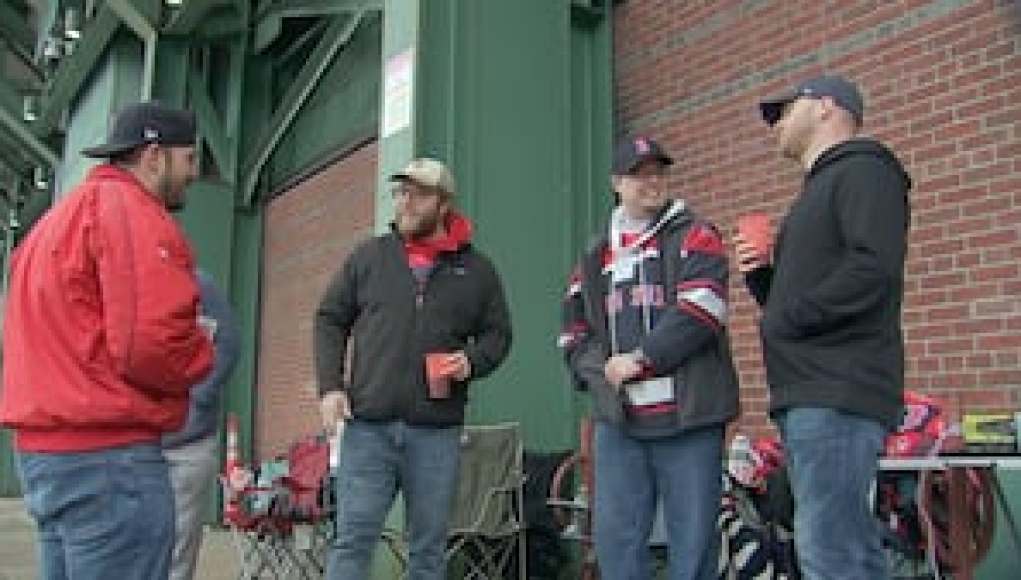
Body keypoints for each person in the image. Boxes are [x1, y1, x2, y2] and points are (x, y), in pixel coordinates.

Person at [0, 101, 214, 579]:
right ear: (153, 156)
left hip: (45, 457)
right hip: (110, 461)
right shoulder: (135, 214)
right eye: (188, 159)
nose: (193, 174)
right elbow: (150, 344)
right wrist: (202, 352)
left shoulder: (51, 226)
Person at [735, 75, 911, 580]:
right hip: (814, 392)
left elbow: (872, 271)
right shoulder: (820, 190)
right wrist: (764, 278)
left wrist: (786, 316)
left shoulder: (865, 171)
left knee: (832, 552)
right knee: (840, 546)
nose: (777, 124)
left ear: (827, 107)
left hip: (837, 392)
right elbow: (804, 304)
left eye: (786, 111)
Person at [314, 157, 512, 580]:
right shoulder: (369, 257)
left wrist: (471, 362)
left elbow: (499, 336)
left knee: (428, 551)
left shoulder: (477, 271)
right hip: (368, 429)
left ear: (444, 205)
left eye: (417, 194)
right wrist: (330, 387)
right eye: (401, 192)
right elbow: (330, 317)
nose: (405, 202)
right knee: (352, 542)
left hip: (436, 434)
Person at [560, 137, 739, 580]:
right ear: (616, 183)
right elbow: (572, 333)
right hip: (620, 427)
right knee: (616, 544)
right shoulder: (594, 254)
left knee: (693, 547)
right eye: (639, 174)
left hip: (689, 422)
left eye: (659, 172)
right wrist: (600, 376)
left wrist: (641, 359)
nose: (651, 182)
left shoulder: (697, 234)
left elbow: (703, 311)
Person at [163, 270, 240, 580]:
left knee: (176, 557)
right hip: (131, 446)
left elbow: (228, 343)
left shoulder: (196, 286)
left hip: (186, 445)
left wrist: (197, 399)